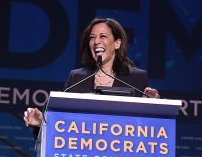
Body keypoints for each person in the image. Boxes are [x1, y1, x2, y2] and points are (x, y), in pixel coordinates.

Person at [23, 17, 159, 127]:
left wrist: (153, 106)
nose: (96, 42)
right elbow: (62, 121)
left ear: (117, 43)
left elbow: (147, 127)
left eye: (103, 36)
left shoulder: (137, 78)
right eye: (92, 38)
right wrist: (42, 124)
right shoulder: (76, 78)